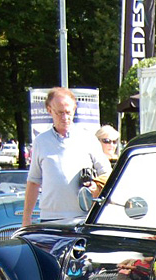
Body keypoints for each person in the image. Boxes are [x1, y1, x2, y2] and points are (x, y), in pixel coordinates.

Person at [23, 87, 110, 226]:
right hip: (50, 220)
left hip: (83, 218)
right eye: (59, 113)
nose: (65, 118)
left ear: (75, 109)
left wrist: (96, 186)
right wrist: (26, 219)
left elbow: (107, 174)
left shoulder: (88, 139)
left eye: (68, 112)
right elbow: (33, 181)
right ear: (49, 110)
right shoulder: (41, 141)